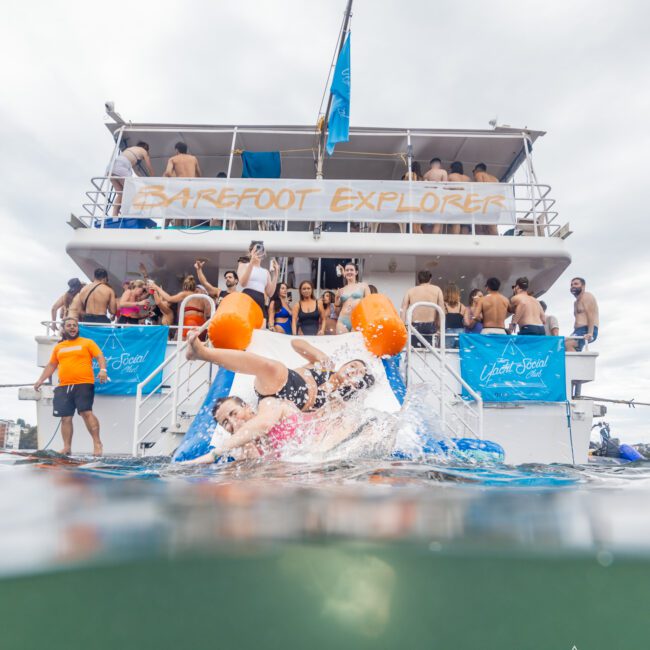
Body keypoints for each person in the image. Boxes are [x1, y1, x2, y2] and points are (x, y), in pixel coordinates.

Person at [185, 331, 375, 414]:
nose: (353, 371)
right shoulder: (325, 365)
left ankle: (201, 353)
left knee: (274, 369)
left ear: (357, 384)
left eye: (358, 373)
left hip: (290, 407)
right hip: (281, 381)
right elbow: (296, 344)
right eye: (353, 366)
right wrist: (318, 354)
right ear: (345, 364)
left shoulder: (340, 401)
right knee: (273, 368)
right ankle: (202, 353)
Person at [182, 394, 376, 464]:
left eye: (233, 413)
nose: (232, 423)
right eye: (225, 423)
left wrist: (214, 454)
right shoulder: (244, 450)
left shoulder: (268, 404)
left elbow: (264, 425)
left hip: (346, 438)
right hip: (318, 466)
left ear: (247, 407)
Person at [33, 317, 108, 456]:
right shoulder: (59, 347)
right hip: (63, 386)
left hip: (84, 383)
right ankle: (67, 447)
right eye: (69, 325)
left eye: (75, 325)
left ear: (78, 328)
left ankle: (97, 444)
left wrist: (103, 370)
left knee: (86, 413)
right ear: (64, 329)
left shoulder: (87, 342)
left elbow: (100, 356)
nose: (72, 327)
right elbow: (51, 365)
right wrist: (40, 380)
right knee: (65, 417)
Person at [108, 142, 155, 216]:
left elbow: (136, 172)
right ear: (145, 148)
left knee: (121, 194)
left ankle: (114, 216)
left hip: (111, 168)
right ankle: (127, 214)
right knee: (131, 191)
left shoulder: (130, 150)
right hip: (122, 166)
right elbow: (148, 166)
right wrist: (154, 179)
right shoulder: (143, 151)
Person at [400, 270, 445, 347]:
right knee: (431, 353)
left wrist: (402, 327)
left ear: (418, 279)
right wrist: (441, 328)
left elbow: (403, 309)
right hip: (430, 326)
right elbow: (441, 311)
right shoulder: (437, 290)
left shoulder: (411, 291)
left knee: (414, 353)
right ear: (430, 279)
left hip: (415, 326)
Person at [237, 242, 279, 324]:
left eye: (261, 250)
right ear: (250, 252)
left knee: (260, 325)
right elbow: (243, 283)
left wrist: (276, 274)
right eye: (256, 249)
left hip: (260, 298)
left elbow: (270, 293)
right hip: (247, 296)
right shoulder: (243, 265)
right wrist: (251, 263)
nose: (258, 252)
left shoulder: (265, 272)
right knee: (246, 323)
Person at [335, 262, 371, 333]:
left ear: (356, 272)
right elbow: (336, 308)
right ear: (345, 272)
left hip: (358, 319)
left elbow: (369, 303)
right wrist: (336, 297)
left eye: (351, 270)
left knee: (355, 343)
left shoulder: (363, 286)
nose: (349, 272)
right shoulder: (342, 289)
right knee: (342, 343)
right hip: (342, 320)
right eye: (347, 270)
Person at [566, 277, 599, 351]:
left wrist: (590, 333)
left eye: (576, 284)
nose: (573, 286)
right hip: (578, 331)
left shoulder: (587, 296)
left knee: (568, 344)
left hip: (587, 329)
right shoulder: (575, 303)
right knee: (560, 344)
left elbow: (591, 315)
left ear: (583, 286)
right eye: (571, 285)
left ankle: (575, 362)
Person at [472, 163, 499, 236]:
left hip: (485, 202)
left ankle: (481, 242)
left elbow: (480, 189)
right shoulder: (495, 179)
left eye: (473, 171)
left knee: (479, 225)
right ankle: (496, 241)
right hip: (495, 204)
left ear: (477, 170)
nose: (473, 174)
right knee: (492, 225)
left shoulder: (479, 174)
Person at [447, 162, 471, 234]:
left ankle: (456, 240)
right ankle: (465, 241)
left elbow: (445, 189)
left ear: (452, 168)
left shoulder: (451, 176)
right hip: (466, 201)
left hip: (456, 201)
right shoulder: (468, 178)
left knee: (456, 222)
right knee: (465, 223)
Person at [443, 283, 467, 349]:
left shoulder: (442, 306)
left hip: (447, 332)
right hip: (460, 333)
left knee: (447, 355)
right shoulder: (462, 307)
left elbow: (439, 323)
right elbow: (467, 323)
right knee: (459, 355)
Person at [402, 161, 424, 233]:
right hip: (420, 201)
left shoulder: (409, 174)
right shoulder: (422, 178)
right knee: (418, 226)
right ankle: (421, 239)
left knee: (414, 224)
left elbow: (404, 185)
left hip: (411, 200)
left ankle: (416, 240)